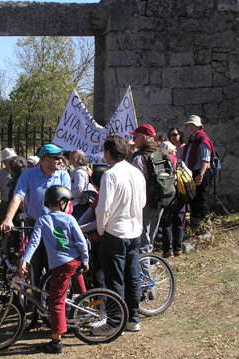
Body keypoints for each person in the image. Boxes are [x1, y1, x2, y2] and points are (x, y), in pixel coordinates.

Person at [19, 185, 88, 354]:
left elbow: (33, 242)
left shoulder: (42, 220)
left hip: (61, 265)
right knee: (78, 288)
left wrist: (25, 260)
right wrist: (85, 260)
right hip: (74, 261)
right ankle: (85, 304)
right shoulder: (70, 219)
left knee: (56, 302)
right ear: (62, 202)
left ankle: (56, 341)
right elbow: (81, 242)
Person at [95, 135, 146, 333]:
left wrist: (101, 229)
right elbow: (142, 202)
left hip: (116, 231)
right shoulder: (136, 172)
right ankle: (133, 318)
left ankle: (115, 322)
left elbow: (103, 208)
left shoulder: (111, 174)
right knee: (132, 276)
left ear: (108, 153)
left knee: (115, 279)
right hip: (134, 230)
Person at [1, 143, 71, 286]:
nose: (61, 160)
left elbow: (67, 204)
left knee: (55, 269)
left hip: (55, 227)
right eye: (57, 157)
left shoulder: (63, 175)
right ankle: (35, 303)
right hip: (33, 226)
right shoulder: (28, 174)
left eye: (61, 157)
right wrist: (8, 219)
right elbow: (17, 197)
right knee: (34, 267)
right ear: (45, 160)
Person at [130, 124, 162, 255]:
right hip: (161, 200)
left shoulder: (139, 158)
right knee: (150, 239)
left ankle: (145, 273)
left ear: (143, 138)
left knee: (143, 241)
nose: (133, 140)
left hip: (146, 202)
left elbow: (136, 182)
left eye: (135, 136)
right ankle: (150, 265)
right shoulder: (161, 154)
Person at [182, 115, 216, 234]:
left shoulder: (203, 140)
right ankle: (195, 228)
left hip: (200, 173)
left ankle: (207, 227)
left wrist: (200, 174)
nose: (190, 128)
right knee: (193, 200)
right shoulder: (192, 140)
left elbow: (205, 160)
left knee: (201, 199)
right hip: (192, 173)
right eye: (189, 126)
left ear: (199, 126)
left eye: (193, 125)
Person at [159, 141, 191, 258]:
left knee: (166, 224)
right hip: (179, 195)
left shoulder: (160, 162)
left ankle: (168, 250)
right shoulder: (178, 161)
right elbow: (190, 174)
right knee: (178, 222)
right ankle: (178, 249)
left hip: (167, 196)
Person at [0, 148, 17, 227]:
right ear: (4, 161)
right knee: (6, 230)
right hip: (5, 204)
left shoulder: (20, 172)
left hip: (18, 204)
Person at [69, 150, 96, 221]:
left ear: (78, 159)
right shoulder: (82, 170)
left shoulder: (79, 173)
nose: (70, 157)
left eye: (73, 156)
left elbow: (79, 189)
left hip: (78, 204)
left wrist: (70, 196)